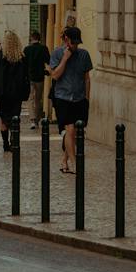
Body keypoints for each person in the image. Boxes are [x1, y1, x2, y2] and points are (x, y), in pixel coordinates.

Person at [48, 24, 93, 173]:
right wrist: (65, 59)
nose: (75, 46)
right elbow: (55, 75)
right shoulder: (57, 54)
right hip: (62, 97)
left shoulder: (84, 55)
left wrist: (87, 98)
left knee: (73, 132)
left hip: (79, 98)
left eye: (77, 43)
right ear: (66, 40)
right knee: (70, 129)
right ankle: (75, 163)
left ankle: (64, 161)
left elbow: (87, 78)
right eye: (73, 43)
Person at [0, 31, 31, 153]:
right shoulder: (22, 57)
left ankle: (6, 144)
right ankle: (13, 141)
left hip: (3, 92)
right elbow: (27, 76)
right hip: (17, 93)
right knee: (15, 117)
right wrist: (27, 91)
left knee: (3, 118)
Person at [24, 30, 51, 129]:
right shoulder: (44, 48)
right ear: (39, 38)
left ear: (31, 38)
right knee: (38, 99)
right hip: (40, 77)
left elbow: (24, 64)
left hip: (29, 77)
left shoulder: (27, 49)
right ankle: (37, 120)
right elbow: (48, 61)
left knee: (30, 98)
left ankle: (32, 119)